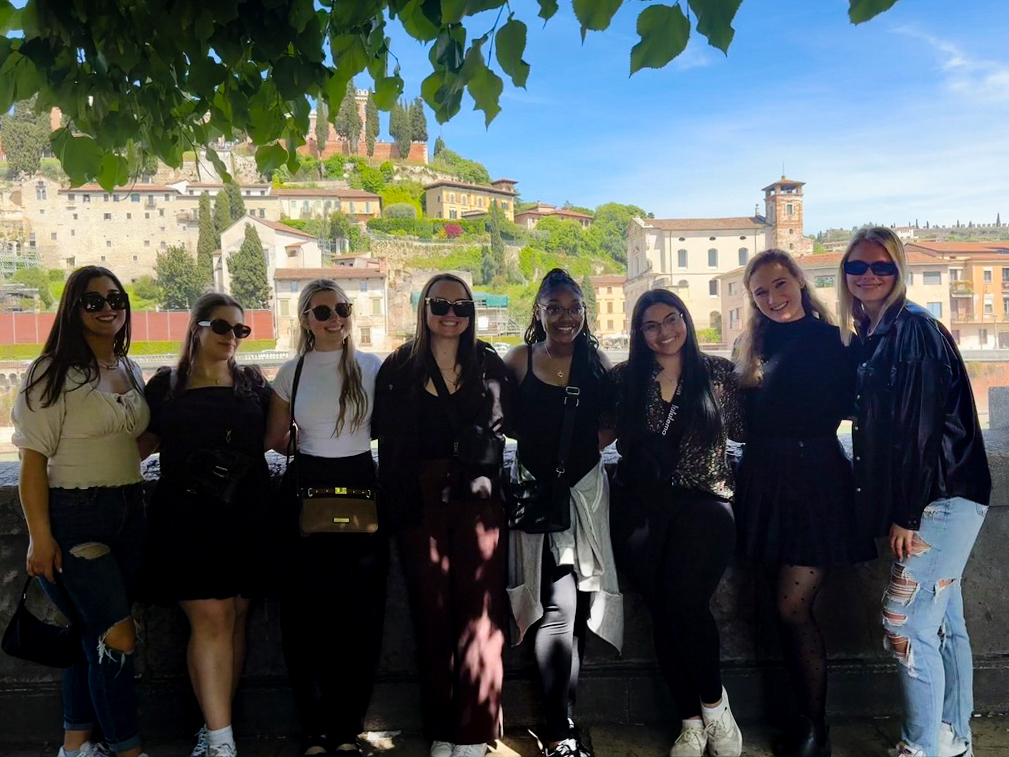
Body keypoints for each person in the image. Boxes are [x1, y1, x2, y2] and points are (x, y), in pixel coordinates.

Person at [838, 226, 990, 757]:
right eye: (857, 267)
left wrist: (906, 514)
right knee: (944, 620)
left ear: (899, 271)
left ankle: (921, 747)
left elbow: (921, 430)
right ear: (846, 275)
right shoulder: (880, 331)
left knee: (904, 621)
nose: (869, 276)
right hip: (946, 494)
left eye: (881, 266)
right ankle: (953, 738)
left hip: (938, 499)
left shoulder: (913, 331)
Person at [733, 250, 875, 757]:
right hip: (764, 481)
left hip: (816, 481)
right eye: (761, 292)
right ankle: (799, 719)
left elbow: (866, 411)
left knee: (792, 607)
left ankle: (816, 728)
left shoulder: (836, 341)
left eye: (779, 284)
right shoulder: (753, 344)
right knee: (772, 611)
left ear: (799, 280)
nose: (773, 298)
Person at [12, 266, 151, 757]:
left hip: (130, 512)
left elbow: (130, 441)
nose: (107, 307)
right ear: (72, 309)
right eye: (93, 301)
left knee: (91, 632)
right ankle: (126, 749)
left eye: (116, 297)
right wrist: (39, 537)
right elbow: (32, 462)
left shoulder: (127, 366)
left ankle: (75, 745)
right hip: (75, 516)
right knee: (118, 638)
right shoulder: (50, 373)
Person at [374, 273, 510, 757]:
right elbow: (386, 444)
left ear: (472, 313)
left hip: (479, 496)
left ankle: (474, 733)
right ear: (424, 308)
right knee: (430, 614)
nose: (451, 314)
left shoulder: (490, 364)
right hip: (419, 500)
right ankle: (442, 730)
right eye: (440, 303)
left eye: (461, 306)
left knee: (480, 614)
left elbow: (519, 421)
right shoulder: (398, 367)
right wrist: (398, 504)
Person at [609, 288, 744, 757]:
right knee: (663, 615)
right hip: (642, 510)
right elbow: (597, 433)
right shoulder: (626, 379)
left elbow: (751, 431)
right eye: (651, 324)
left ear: (686, 320)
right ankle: (689, 722)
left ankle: (714, 706)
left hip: (706, 506)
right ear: (639, 332)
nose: (664, 331)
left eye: (673, 319)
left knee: (685, 605)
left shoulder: (720, 375)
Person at [140, 293, 272, 757]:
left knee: (235, 619)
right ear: (196, 328)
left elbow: (280, 437)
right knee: (212, 617)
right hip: (188, 516)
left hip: (246, 511)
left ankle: (215, 726)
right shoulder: (165, 386)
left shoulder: (253, 382)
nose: (232, 337)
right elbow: (137, 446)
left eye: (240, 330)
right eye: (222, 327)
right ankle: (221, 742)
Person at [264, 279, 386, 757]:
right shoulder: (291, 372)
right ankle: (321, 729)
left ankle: (341, 730)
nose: (335, 318)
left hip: (344, 483)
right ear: (305, 321)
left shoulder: (371, 366)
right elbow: (276, 437)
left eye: (342, 308)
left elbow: (278, 438)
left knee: (357, 617)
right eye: (322, 312)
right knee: (309, 617)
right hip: (326, 487)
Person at [504, 269, 622, 757]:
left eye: (573, 307)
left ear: (584, 312)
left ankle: (563, 721)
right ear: (539, 311)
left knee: (575, 615)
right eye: (554, 307)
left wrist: (580, 454)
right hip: (536, 494)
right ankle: (558, 730)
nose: (565, 316)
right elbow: (501, 420)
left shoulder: (597, 362)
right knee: (557, 608)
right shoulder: (518, 360)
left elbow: (616, 419)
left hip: (584, 495)